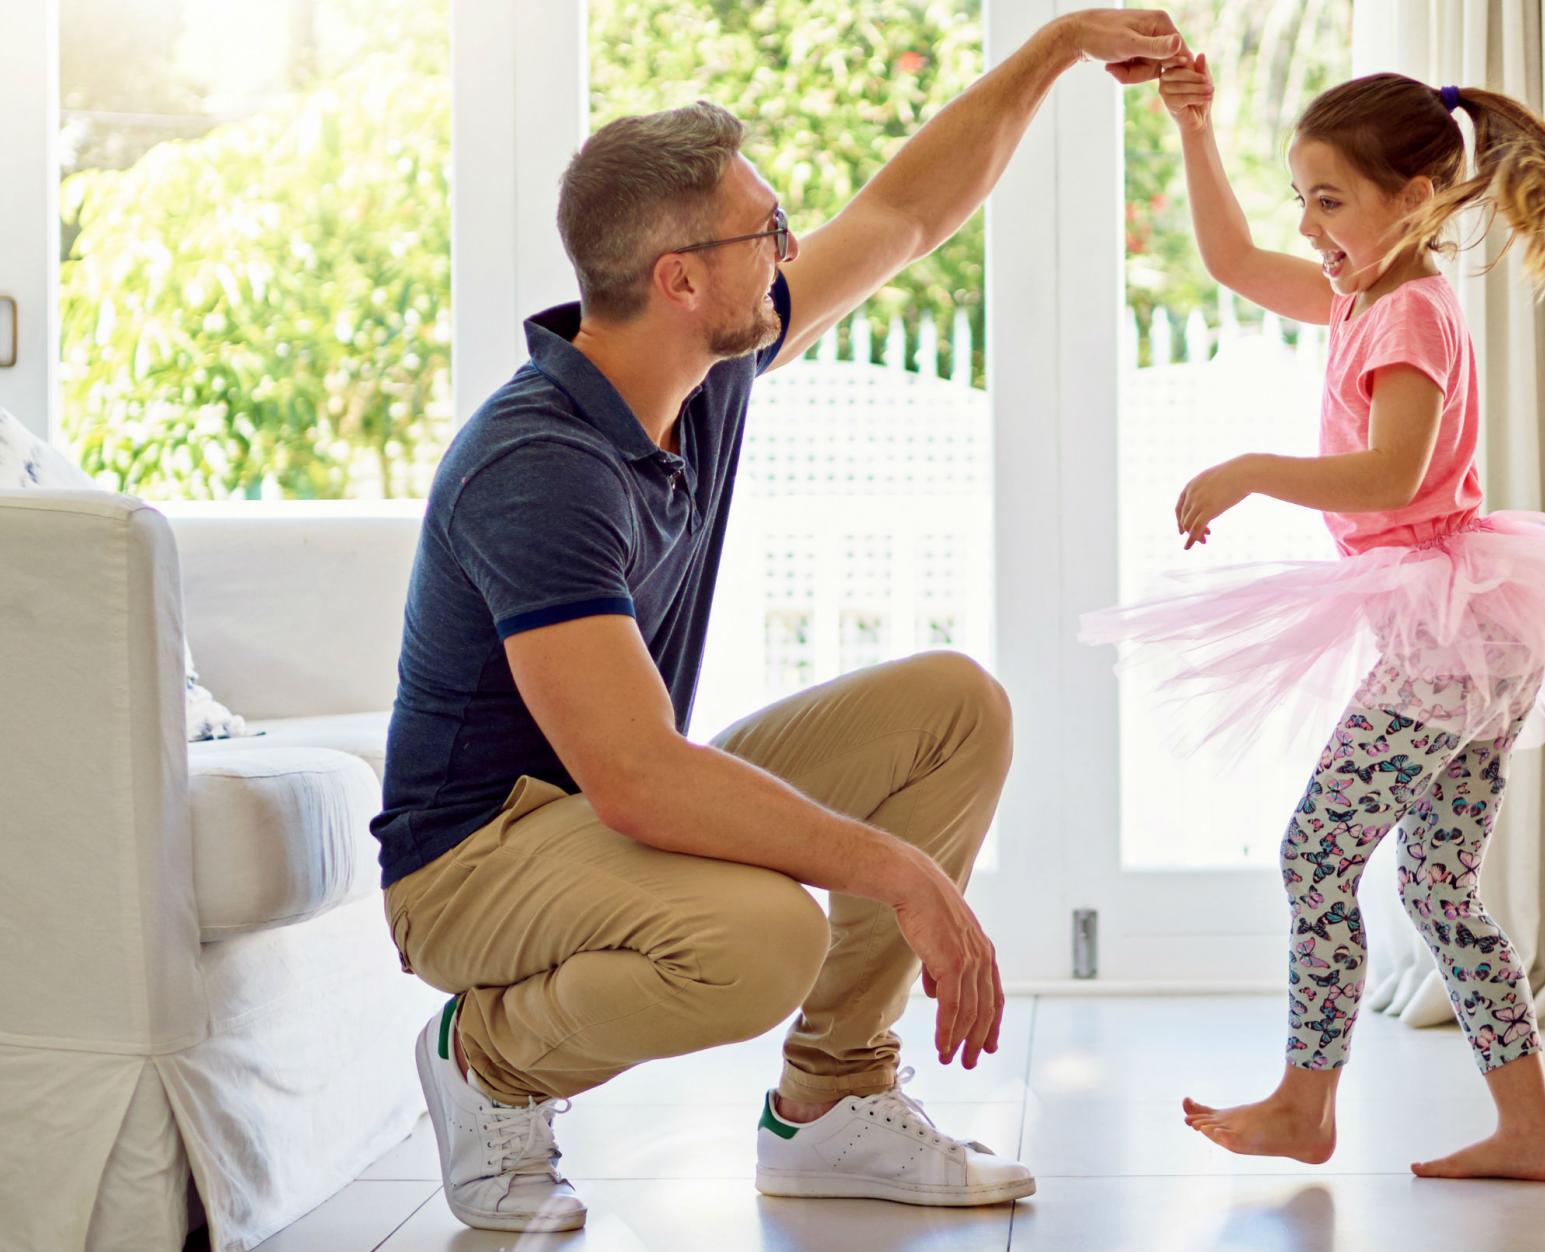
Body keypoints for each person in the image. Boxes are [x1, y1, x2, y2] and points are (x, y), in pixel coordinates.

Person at [372, 11, 1186, 1233]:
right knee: (761, 939)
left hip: (595, 813)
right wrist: (895, 870)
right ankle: (486, 1058)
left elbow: (904, 217)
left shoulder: (703, 376)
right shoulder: (535, 466)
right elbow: (643, 779)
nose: (789, 249)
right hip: (472, 862)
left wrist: (1056, 48)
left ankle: (829, 1111)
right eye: (767, 232)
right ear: (679, 278)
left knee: (954, 707)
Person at [1080, 64, 1545, 1182]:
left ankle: (1304, 1101)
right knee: (1437, 889)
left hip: (1452, 635)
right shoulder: (1362, 297)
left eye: (1329, 200)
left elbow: (1394, 475)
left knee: (1313, 857)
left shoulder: (1412, 314)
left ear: (1419, 195)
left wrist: (1248, 469)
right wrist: (1193, 129)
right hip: (1457, 630)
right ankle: (1528, 1129)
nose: (1308, 225)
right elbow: (1232, 263)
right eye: (1302, 198)